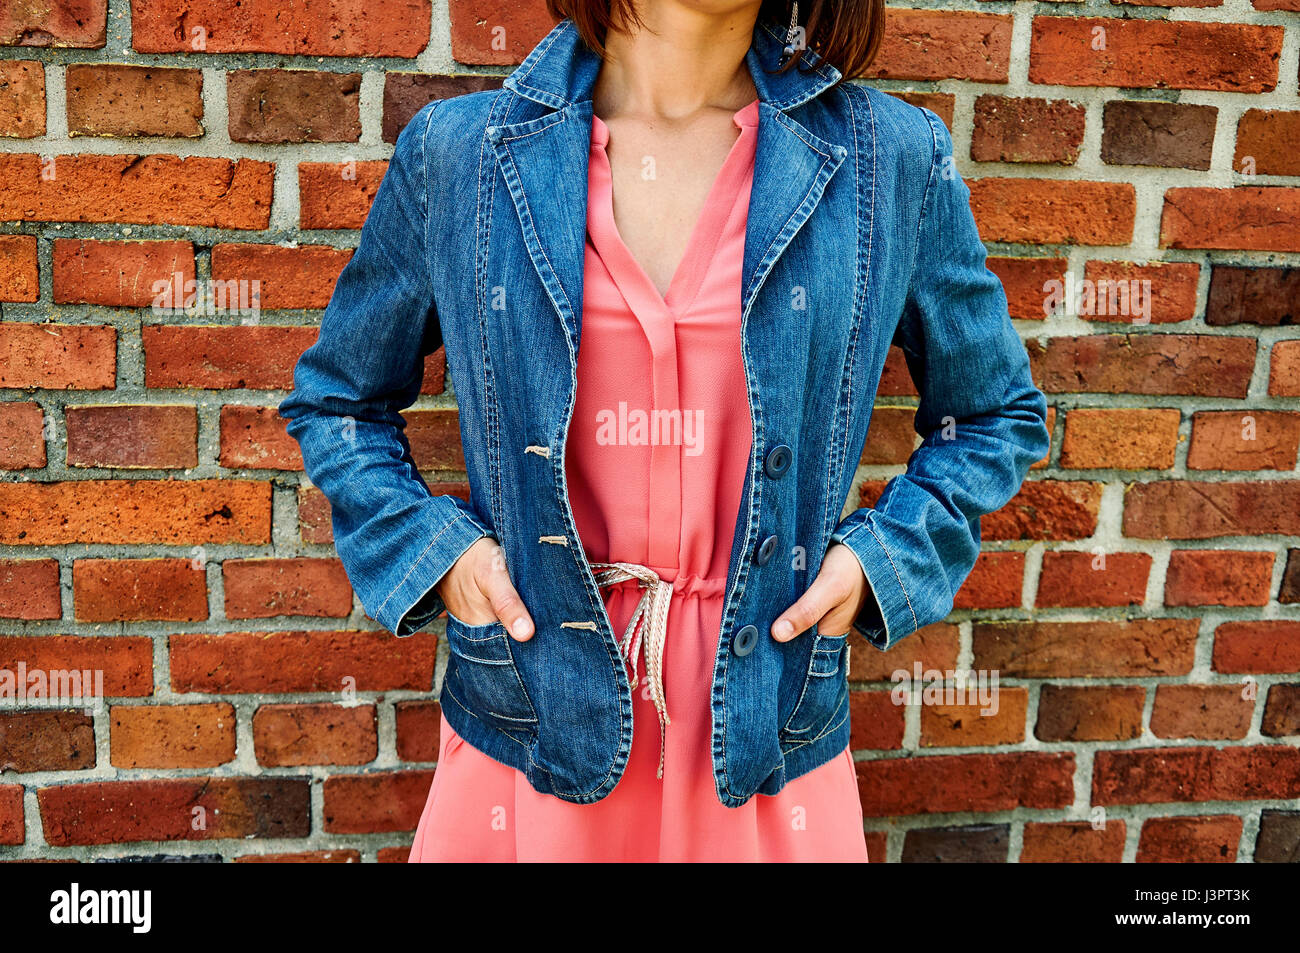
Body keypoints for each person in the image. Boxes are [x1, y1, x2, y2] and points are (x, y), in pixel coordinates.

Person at [278, 0, 1050, 862]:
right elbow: (339, 402)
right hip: (534, 733)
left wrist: (882, 563)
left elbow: (992, 415)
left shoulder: (891, 160)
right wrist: (444, 559)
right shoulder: (460, 155)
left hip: (765, 739)